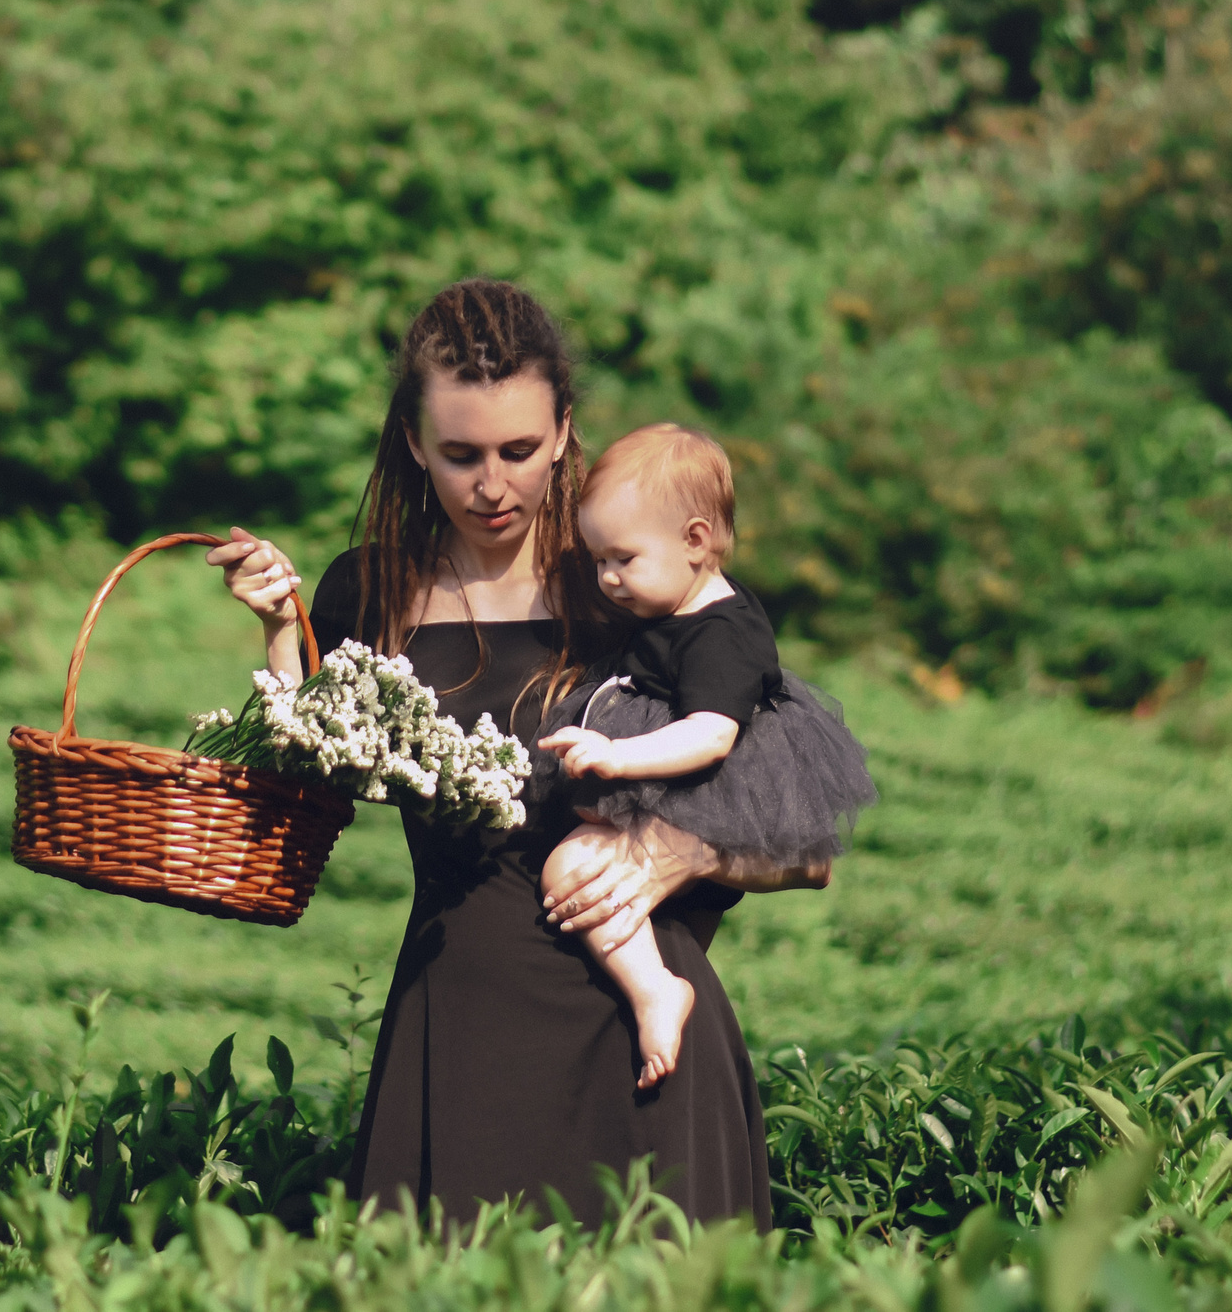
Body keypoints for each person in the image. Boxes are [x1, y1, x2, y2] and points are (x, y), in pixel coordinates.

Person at [209, 278, 831, 1232]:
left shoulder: (637, 584)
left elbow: (808, 840)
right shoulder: (365, 594)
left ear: (565, 431)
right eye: (459, 454)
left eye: (519, 450)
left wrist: (678, 852)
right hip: (455, 1030)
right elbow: (292, 788)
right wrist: (279, 630)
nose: (490, 484)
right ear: (414, 443)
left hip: (640, 1038)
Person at [533, 424, 878, 1090]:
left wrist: (617, 753)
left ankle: (655, 989)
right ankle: (650, 989)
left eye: (622, 558)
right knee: (614, 888)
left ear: (695, 541)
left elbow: (712, 736)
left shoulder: (720, 636)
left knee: (571, 868)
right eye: (598, 558)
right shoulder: (680, 604)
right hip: (677, 781)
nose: (607, 578)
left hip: (709, 784)